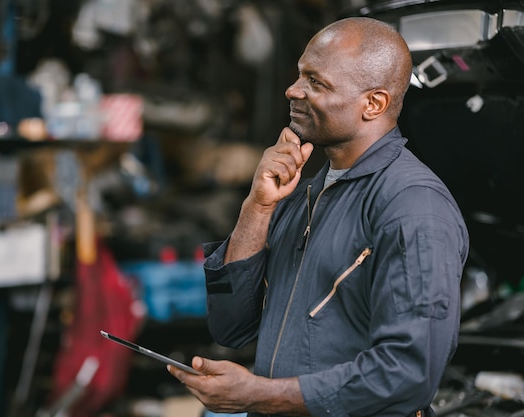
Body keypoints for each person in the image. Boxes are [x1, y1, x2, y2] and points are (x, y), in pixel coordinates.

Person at [167, 16, 469, 417]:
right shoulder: (306, 192)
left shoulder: (412, 205)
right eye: (299, 75)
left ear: (373, 104)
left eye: (316, 82)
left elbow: (408, 372)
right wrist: (257, 207)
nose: (293, 90)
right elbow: (230, 327)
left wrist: (257, 395)